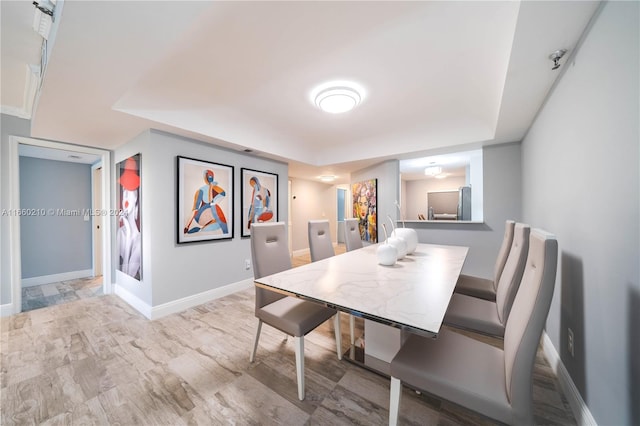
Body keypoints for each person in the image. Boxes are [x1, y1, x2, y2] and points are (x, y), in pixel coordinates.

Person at [117, 157, 141, 280]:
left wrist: (129, 229)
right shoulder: (120, 232)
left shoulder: (140, 240)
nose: (125, 197)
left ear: (136, 197)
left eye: (130, 191)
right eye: (124, 191)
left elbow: (127, 275)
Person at [184, 169, 228, 234]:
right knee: (214, 206)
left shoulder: (218, 189)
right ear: (205, 177)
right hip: (201, 215)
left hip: (213, 214)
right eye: (209, 176)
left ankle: (201, 230)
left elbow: (218, 198)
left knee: (218, 223)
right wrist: (186, 226)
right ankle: (225, 232)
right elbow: (195, 210)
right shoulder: (200, 191)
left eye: (211, 176)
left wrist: (211, 187)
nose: (210, 178)